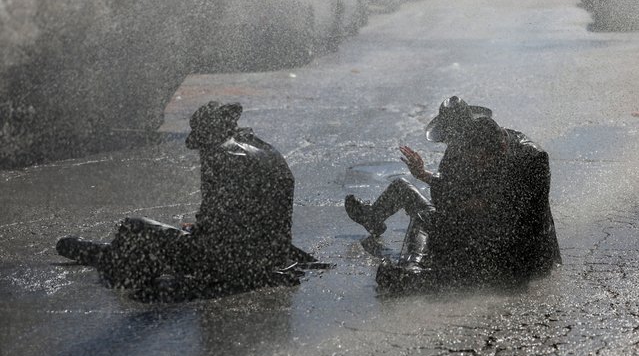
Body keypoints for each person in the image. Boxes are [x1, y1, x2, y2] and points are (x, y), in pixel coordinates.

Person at [56, 101, 313, 299]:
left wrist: (201, 232)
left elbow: (215, 232)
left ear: (208, 136)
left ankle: (110, 257)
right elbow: (257, 217)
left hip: (231, 266)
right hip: (268, 257)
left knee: (134, 226)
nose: (200, 151)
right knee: (178, 238)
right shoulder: (266, 150)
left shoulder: (220, 155)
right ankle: (117, 256)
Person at [345, 96, 562, 287]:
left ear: (500, 148)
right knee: (412, 198)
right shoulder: (466, 152)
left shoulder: (531, 159)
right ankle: (409, 262)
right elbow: (448, 197)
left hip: (518, 249)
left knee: (428, 219)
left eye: (480, 160)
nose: (456, 146)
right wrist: (426, 177)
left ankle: (415, 272)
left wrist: (479, 205)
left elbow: (526, 217)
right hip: (478, 225)